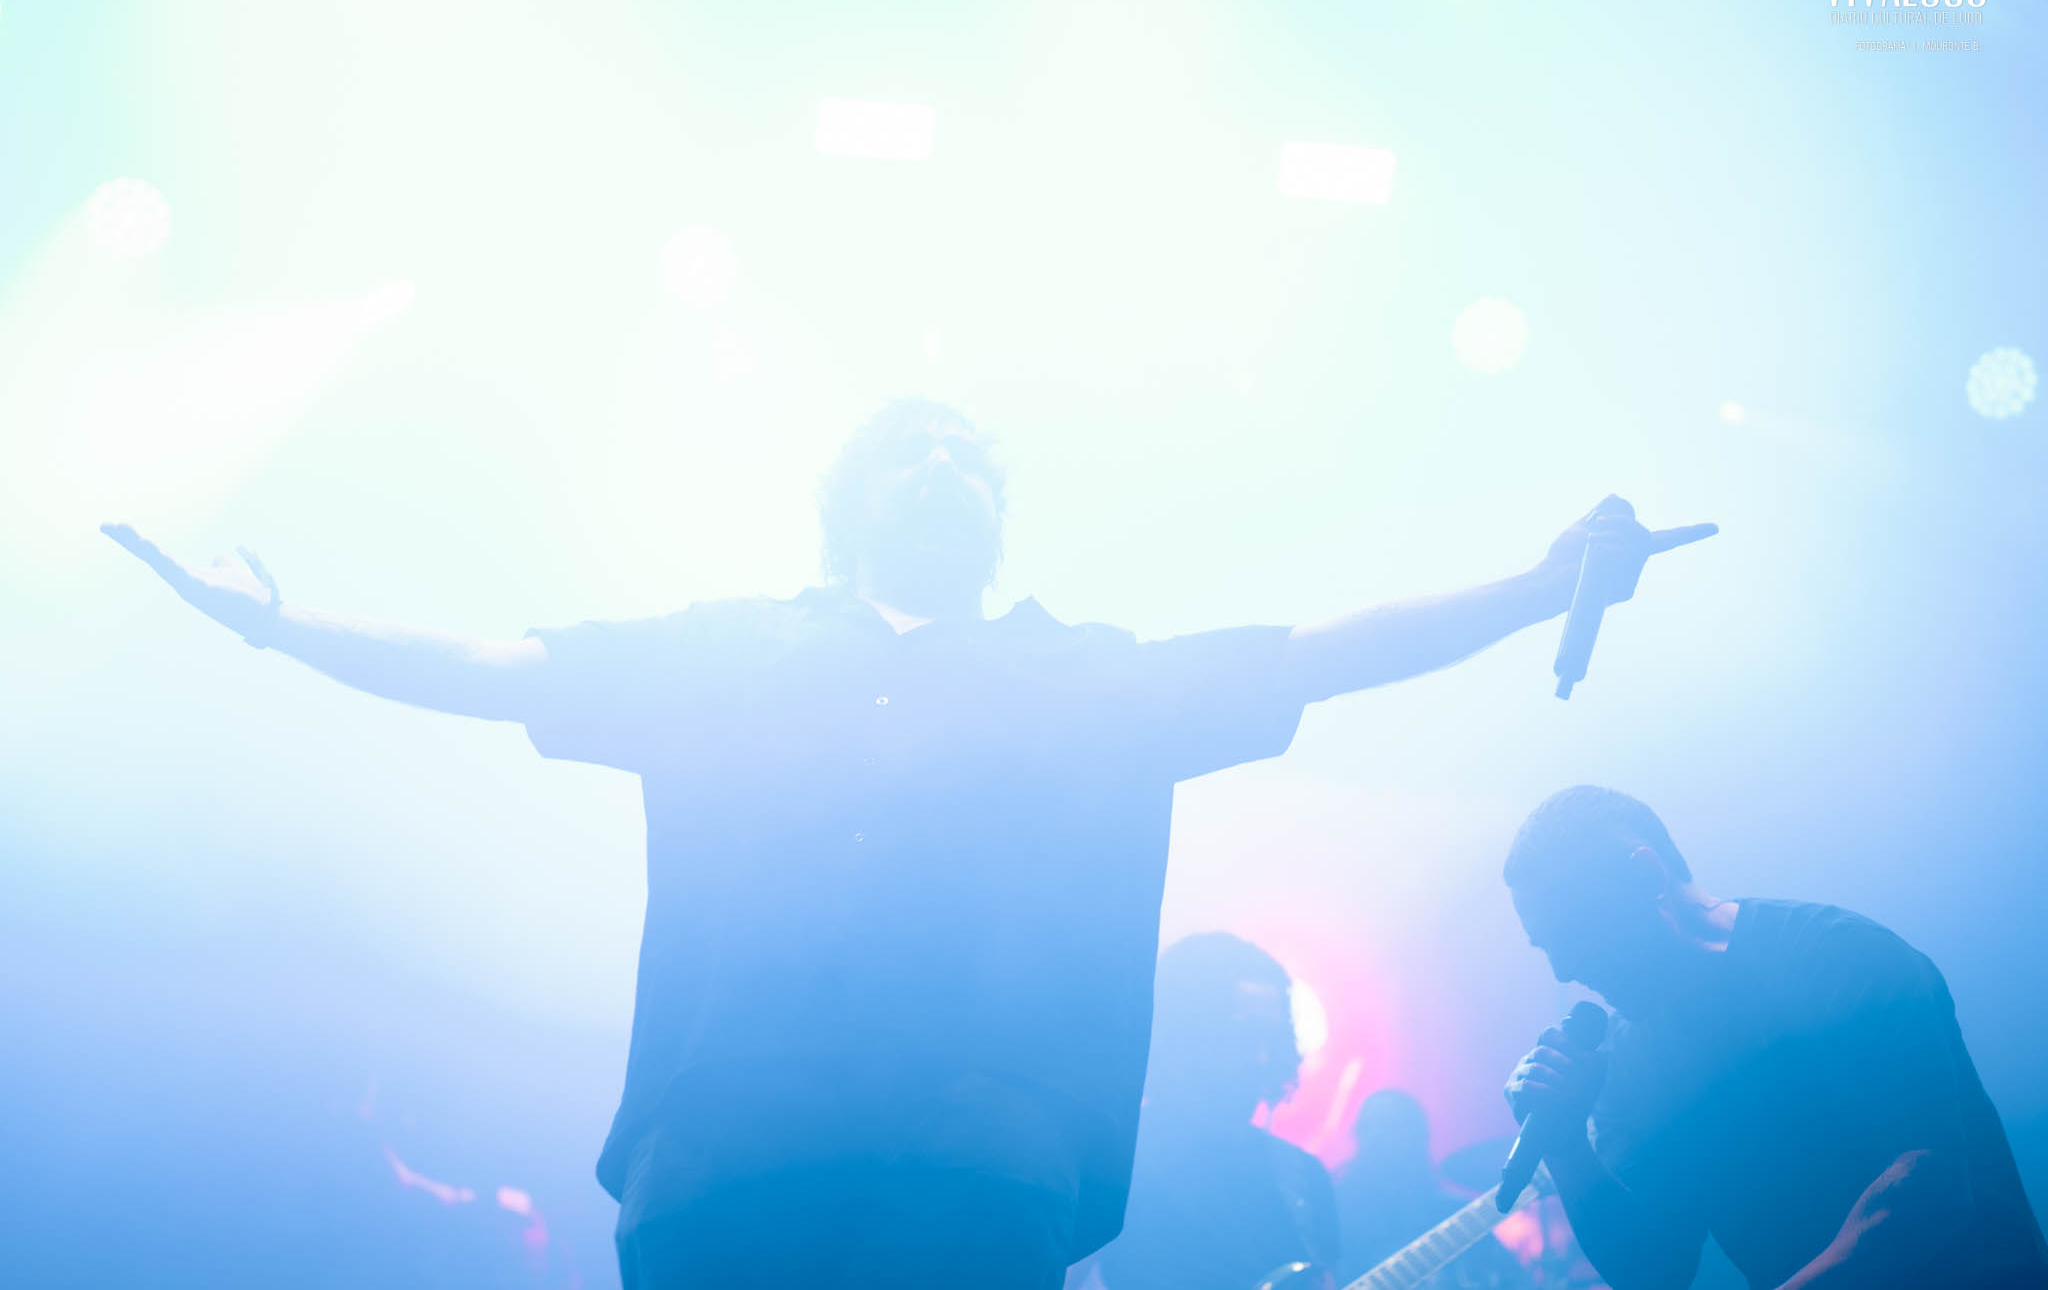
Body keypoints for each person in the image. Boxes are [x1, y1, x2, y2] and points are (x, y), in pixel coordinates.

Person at [105, 399, 1711, 1289]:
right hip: (724, 1160)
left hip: (974, 1165)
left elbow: (1316, 651)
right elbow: (497, 668)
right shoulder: (730, 647)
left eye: (965, 460)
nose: (940, 469)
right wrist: (284, 629)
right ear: (844, 509)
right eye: (906, 453)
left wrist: (1532, 585)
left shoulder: (1077, 671)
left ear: (998, 527)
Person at [1500, 786, 2048, 1290]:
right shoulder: (1625, 1061)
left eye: (1576, 932)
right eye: (1548, 946)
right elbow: (1656, 1270)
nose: (1564, 968)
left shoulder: (1835, 956)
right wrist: (1567, 1146)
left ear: (1646, 876)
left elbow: (1926, 1189)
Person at [1092, 933, 1339, 1290]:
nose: (1261, 1059)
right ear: (1184, 1037)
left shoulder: (1304, 1177)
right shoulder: (1114, 1157)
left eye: (1271, 1039)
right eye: (1242, 1037)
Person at [1334, 1089, 1532, 1289]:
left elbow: (1514, 1280)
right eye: (1369, 1126)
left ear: (1415, 1138)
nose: (1376, 1134)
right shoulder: (1340, 1210)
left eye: (1390, 1126)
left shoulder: (1451, 1215)